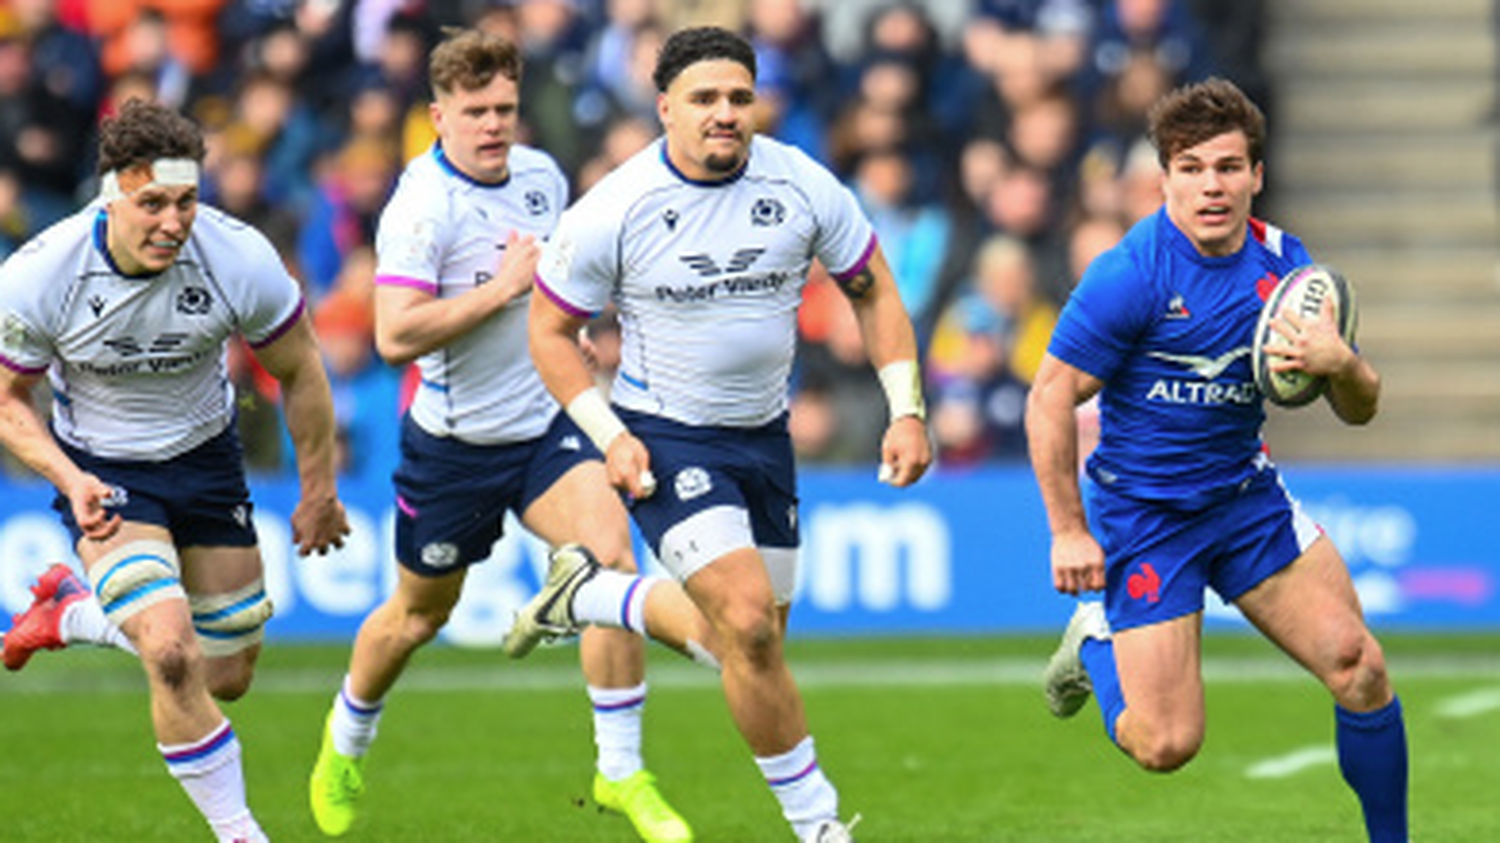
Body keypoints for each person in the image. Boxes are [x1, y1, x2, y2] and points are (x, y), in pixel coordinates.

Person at [520, 26, 933, 843]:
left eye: (739, 97)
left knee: (751, 644)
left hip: (763, 438)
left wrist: (907, 406)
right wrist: (609, 434)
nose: (725, 113)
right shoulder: (615, 207)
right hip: (665, 434)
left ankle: (594, 595)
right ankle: (819, 826)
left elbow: (873, 289)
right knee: (744, 620)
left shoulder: (803, 183)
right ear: (664, 106)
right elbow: (548, 332)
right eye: (705, 99)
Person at [306, 28, 714, 843]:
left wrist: (571, 326)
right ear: (438, 116)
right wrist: (501, 290)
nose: (494, 125)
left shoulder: (540, 176)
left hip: (545, 429)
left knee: (614, 560)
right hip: (454, 447)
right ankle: (344, 743)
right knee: (415, 618)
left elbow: (556, 282)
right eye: (476, 111)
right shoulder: (421, 209)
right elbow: (395, 336)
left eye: (505, 109)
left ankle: (622, 770)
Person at [1028, 78, 1407, 843]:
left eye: (1229, 167)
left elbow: (1360, 408)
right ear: (1164, 175)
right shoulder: (1131, 274)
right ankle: (1094, 639)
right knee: (1166, 744)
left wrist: (1343, 364)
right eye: (1192, 167)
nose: (1211, 185)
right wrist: (1070, 531)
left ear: (1256, 176)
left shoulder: (1289, 270)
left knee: (1359, 667)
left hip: (1244, 503)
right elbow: (1048, 397)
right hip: (1149, 517)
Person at [0, 97, 351, 842]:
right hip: (104, 470)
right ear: (110, 194)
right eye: (151, 202)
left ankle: (69, 612)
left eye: (186, 200)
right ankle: (241, 833)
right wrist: (69, 479)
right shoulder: (42, 273)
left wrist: (318, 486)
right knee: (168, 650)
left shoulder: (238, 256)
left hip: (207, 460)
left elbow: (301, 369)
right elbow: (6, 400)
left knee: (227, 674)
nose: (172, 221)